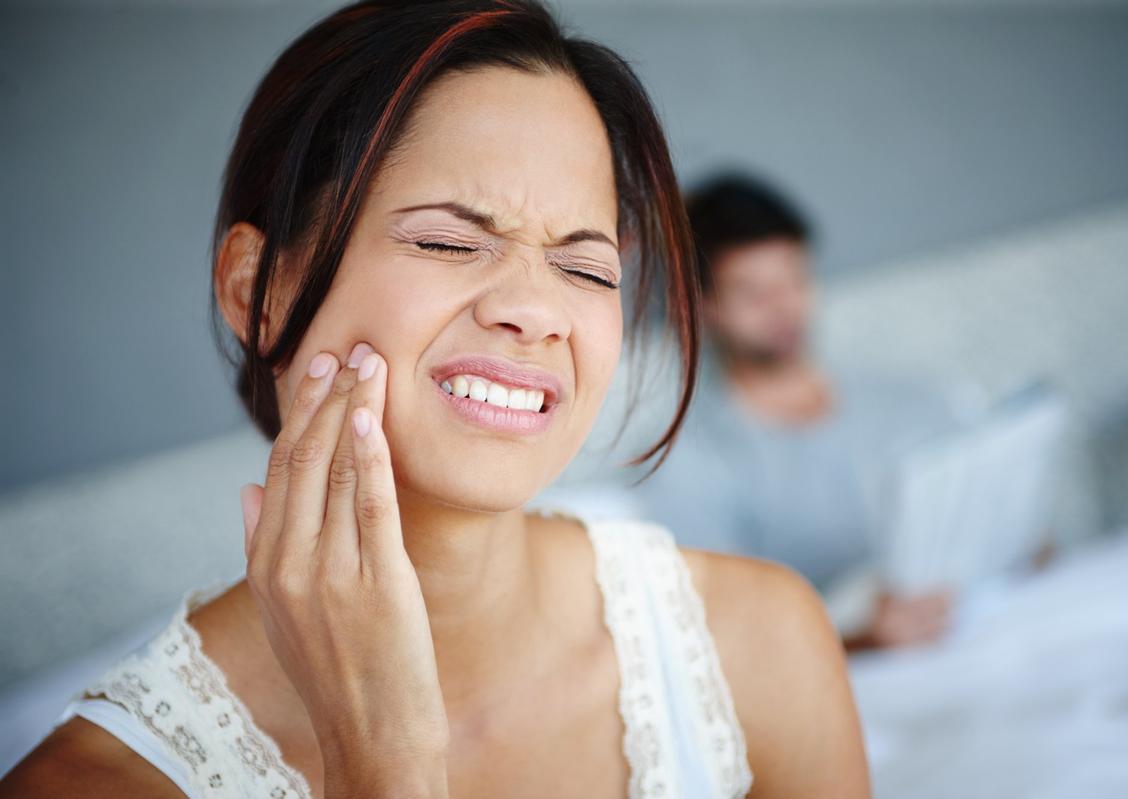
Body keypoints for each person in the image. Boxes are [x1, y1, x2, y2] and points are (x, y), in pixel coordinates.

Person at [0, 3, 869, 797]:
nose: (535, 312)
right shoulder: (86, 784)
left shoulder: (759, 642)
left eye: (585, 266)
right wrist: (384, 761)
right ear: (257, 290)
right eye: (449, 241)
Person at [630, 173, 957, 651]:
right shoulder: (691, 459)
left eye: (794, 279)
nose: (784, 308)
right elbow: (725, 632)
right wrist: (864, 640)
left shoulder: (905, 399)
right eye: (753, 292)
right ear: (703, 306)